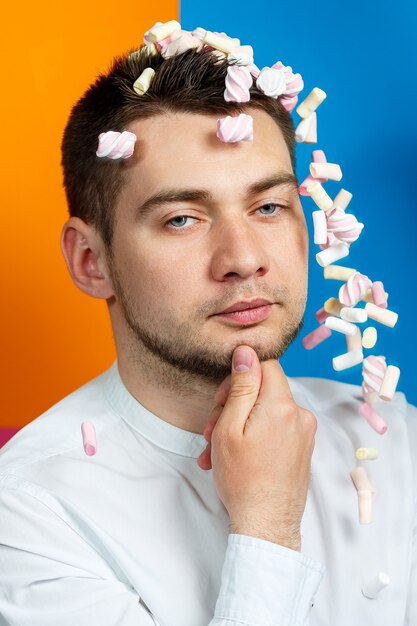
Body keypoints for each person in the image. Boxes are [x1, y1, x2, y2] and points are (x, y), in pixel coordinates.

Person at [0, 21, 416, 626]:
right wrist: (267, 527)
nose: (244, 258)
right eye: (181, 219)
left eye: (268, 206)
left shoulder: (395, 437)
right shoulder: (26, 514)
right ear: (92, 262)